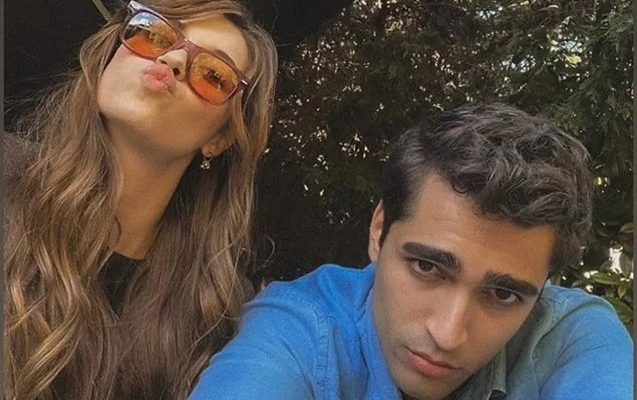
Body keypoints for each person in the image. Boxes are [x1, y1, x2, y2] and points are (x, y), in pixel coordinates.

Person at [187, 103, 633, 400]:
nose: (447, 334)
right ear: (379, 231)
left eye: (503, 294)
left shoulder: (572, 336)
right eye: (427, 266)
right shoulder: (298, 330)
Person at [4, 1, 277, 399]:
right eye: (152, 32)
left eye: (213, 75)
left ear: (219, 139)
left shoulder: (214, 323)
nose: (173, 59)